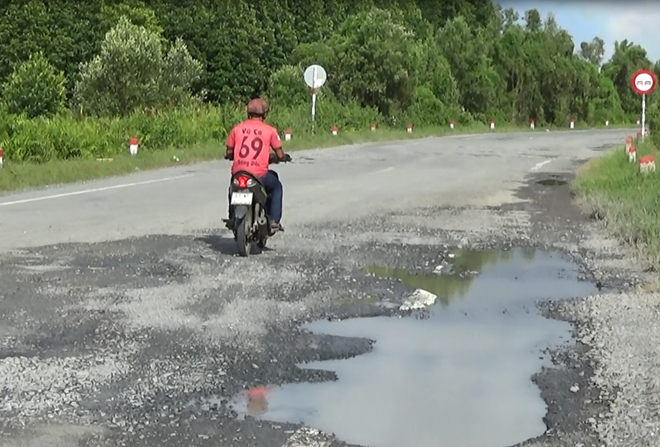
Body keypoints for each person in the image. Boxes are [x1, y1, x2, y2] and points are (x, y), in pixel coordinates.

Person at [225, 98, 289, 231]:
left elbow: (229, 152)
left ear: (248, 112)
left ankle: (232, 217)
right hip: (259, 175)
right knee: (276, 187)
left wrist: (232, 156)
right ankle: (274, 220)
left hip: (239, 173)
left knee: (232, 188)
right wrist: (282, 158)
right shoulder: (269, 130)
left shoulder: (237, 129)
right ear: (264, 114)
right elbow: (279, 154)